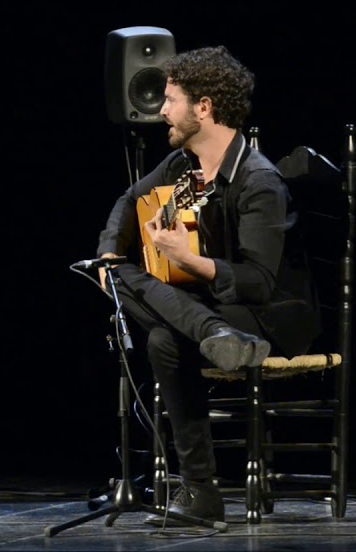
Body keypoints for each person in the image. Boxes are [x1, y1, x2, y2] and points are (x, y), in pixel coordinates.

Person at [93, 46, 319, 525]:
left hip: (269, 318)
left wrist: (189, 261)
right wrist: (112, 250)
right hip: (215, 316)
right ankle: (213, 337)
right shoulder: (183, 167)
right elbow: (128, 199)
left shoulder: (259, 180)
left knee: (162, 337)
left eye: (171, 99)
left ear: (204, 107)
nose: (162, 111)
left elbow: (258, 283)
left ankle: (199, 489)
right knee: (120, 279)